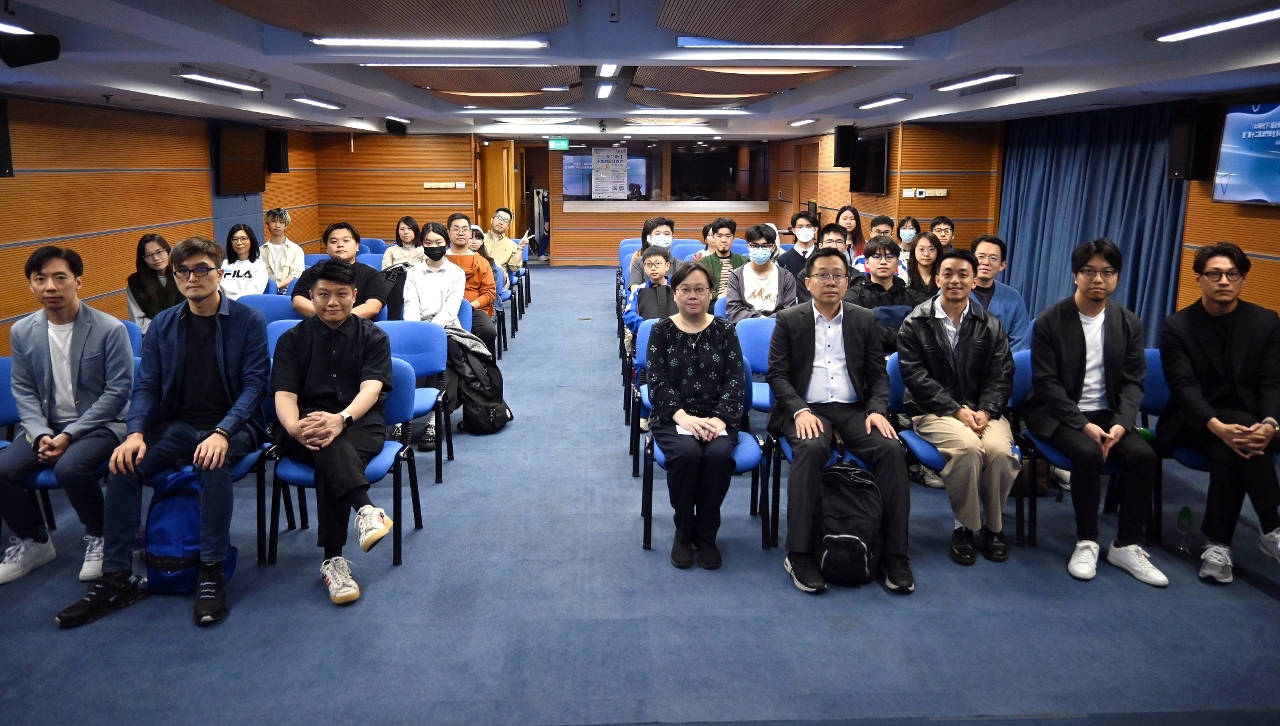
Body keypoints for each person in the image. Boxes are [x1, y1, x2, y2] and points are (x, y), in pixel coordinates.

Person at [56, 236, 269, 629]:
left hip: (234, 425)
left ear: (219, 273)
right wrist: (135, 433)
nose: (192, 277)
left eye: (202, 269)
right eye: (183, 271)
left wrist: (223, 431)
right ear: (175, 276)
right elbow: (148, 387)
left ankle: (210, 569)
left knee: (213, 461)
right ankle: (117, 576)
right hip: (178, 426)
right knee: (124, 465)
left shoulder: (248, 320)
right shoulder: (164, 325)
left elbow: (255, 385)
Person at [767, 247, 914, 595]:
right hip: (808, 408)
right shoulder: (789, 320)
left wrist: (876, 409)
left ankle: (894, 553)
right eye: (822, 275)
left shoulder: (863, 318)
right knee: (810, 450)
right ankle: (799, 553)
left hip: (853, 410)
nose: (830, 281)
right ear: (807, 282)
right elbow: (777, 374)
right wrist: (799, 410)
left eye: (837, 275)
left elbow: (878, 375)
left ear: (848, 282)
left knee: (891, 450)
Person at [1024, 238, 1166, 586]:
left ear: (1117, 276)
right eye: (1089, 271)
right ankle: (1086, 540)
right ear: (1075, 275)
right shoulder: (1050, 321)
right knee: (1087, 454)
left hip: (1108, 415)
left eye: (1108, 272)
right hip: (1057, 413)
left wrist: (1122, 424)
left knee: (1144, 456)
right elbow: (1047, 384)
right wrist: (1082, 425)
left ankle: (1126, 545)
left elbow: (1133, 383)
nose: (1098, 279)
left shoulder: (1129, 322)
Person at [0, 247, 133, 585]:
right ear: (31, 285)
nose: (50, 286)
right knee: (2, 469)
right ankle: (34, 541)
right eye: (40, 279)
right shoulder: (22, 331)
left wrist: (70, 434)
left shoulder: (109, 328)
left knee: (70, 467)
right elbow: (23, 390)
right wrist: (41, 433)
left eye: (60, 277)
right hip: (44, 427)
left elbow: (117, 393)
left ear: (78, 282)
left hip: (99, 425)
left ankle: (101, 536)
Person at [271, 259, 396, 605]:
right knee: (323, 438)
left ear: (354, 295)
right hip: (301, 425)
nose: (332, 302)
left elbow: (371, 390)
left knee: (330, 451)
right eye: (323, 294)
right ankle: (366, 511)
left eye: (341, 294)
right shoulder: (292, 340)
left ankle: (333, 561)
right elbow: (284, 395)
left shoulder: (374, 336)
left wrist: (341, 419)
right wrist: (294, 428)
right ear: (311, 296)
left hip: (359, 422)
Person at [1158, 242, 1280, 585]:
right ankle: (1271, 526)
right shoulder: (1177, 327)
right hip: (1193, 423)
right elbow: (1184, 388)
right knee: (1235, 433)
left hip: (1251, 426)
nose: (1224, 281)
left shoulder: (1266, 322)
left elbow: (1273, 381)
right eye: (1214, 274)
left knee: (1230, 449)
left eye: (1232, 274)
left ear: (1243, 279)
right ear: (1199, 279)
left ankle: (1218, 546)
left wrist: (1271, 424)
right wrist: (1216, 425)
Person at [897, 250, 1020, 566]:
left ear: (974, 281)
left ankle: (993, 527)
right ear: (937, 279)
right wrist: (956, 409)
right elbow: (915, 376)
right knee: (967, 449)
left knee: (999, 452)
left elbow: (1002, 374)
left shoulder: (991, 324)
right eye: (948, 273)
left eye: (963, 274)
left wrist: (986, 410)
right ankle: (964, 526)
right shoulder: (915, 322)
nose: (955, 280)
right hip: (933, 410)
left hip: (983, 411)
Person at [646, 264, 745, 570]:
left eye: (700, 289)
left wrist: (720, 419)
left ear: (711, 293)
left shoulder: (725, 330)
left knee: (716, 457)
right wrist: (683, 418)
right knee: (688, 455)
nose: (693, 295)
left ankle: (706, 534)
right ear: (674, 294)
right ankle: (683, 530)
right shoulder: (661, 331)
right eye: (685, 289)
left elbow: (735, 380)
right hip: (673, 417)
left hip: (718, 418)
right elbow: (657, 381)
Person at [292, 222, 390, 321]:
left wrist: (341, 320)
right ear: (327, 248)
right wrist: (327, 317)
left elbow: (373, 306)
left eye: (346, 240)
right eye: (334, 241)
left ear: (357, 246)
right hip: (318, 326)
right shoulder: (313, 272)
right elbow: (298, 301)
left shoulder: (371, 274)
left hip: (358, 326)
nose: (340, 245)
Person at [846, 236, 928, 351]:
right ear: (867, 263)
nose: (883, 262)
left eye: (889, 257)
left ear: (897, 263)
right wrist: (902, 336)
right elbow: (856, 331)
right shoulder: (854, 297)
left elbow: (922, 331)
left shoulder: (913, 297)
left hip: (906, 357)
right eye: (877, 256)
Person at [445, 213, 498, 357]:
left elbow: (489, 293)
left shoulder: (482, 262)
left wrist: (469, 306)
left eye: (464, 229)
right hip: (443, 308)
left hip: (474, 309)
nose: (460, 233)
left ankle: (483, 367)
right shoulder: (441, 260)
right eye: (456, 229)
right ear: (448, 233)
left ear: (469, 233)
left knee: (488, 331)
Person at [969, 235, 1032, 352]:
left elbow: (1020, 341)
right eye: (981, 257)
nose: (986, 262)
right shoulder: (949, 293)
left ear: (1002, 265)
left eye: (993, 258)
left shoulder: (1013, 297)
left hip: (1003, 361)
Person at [725, 224, 798, 324]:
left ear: (773, 248)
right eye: (755, 246)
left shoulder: (786, 277)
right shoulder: (737, 276)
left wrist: (768, 321)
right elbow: (734, 308)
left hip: (778, 325)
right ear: (748, 247)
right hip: (748, 324)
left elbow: (789, 309)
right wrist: (759, 318)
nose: (760, 250)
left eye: (765, 246)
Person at [402, 221, 465, 330]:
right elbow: (411, 305)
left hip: (447, 326)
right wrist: (416, 328)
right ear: (422, 244)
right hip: (418, 326)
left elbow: (450, 310)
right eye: (428, 243)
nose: (433, 246)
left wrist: (432, 329)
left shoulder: (457, 273)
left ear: (447, 243)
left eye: (438, 243)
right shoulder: (413, 273)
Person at [126, 233, 183, 333]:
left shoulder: (184, 274)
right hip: (154, 335)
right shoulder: (135, 283)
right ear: (143, 259)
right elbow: (138, 321)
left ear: (168, 251)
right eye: (148, 255)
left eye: (159, 252)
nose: (156, 258)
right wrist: (164, 331)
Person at [623, 246, 674, 336]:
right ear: (644, 267)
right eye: (649, 264)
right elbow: (628, 314)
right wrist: (645, 326)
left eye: (657, 263)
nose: (653, 268)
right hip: (647, 334)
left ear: (667, 266)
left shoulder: (678, 289)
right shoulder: (639, 290)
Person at [628, 217, 684, 291]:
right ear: (649, 238)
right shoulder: (639, 262)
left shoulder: (681, 265)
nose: (662, 237)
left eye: (666, 234)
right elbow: (634, 287)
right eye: (657, 234)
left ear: (672, 238)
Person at [698, 217, 747, 300]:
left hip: (739, 303)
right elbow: (698, 290)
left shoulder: (744, 262)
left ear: (733, 238)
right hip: (713, 304)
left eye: (728, 236)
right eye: (719, 236)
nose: (723, 240)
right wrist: (717, 295)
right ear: (713, 237)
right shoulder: (702, 263)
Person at [262, 208, 305, 294]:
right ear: (268, 224)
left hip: (289, 292)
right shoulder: (260, 251)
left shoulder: (296, 249)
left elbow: (296, 275)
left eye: (281, 222)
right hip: (266, 291)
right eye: (273, 221)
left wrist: (276, 286)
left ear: (286, 225)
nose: (277, 225)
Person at [220, 224, 268, 300]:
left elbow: (254, 291)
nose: (239, 243)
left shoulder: (259, 265)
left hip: (246, 303)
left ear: (251, 242)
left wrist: (231, 303)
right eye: (235, 239)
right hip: (223, 304)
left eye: (244, 238)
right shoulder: (224, 264)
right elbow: (217, 288)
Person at [776, 211, 820, 280]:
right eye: (800, 227)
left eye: (808, 226)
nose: (804, 230)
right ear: (794, 230)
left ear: (815, 229)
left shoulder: (824, 257)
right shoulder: (782, 260)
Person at [483, 207, 526, 276]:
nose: (501, 222)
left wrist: (520, 248)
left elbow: (514, 268)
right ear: (492, 220)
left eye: (505, 221)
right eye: (499, 218)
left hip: (497, 278)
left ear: (508, 227)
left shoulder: (512, 245)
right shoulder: (479, 239)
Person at [907, 231, 942, 297]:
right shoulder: (905, 277)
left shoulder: (943, 276)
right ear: (914, 251)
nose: (926, 254)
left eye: (931, 249)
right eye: (921, 249)